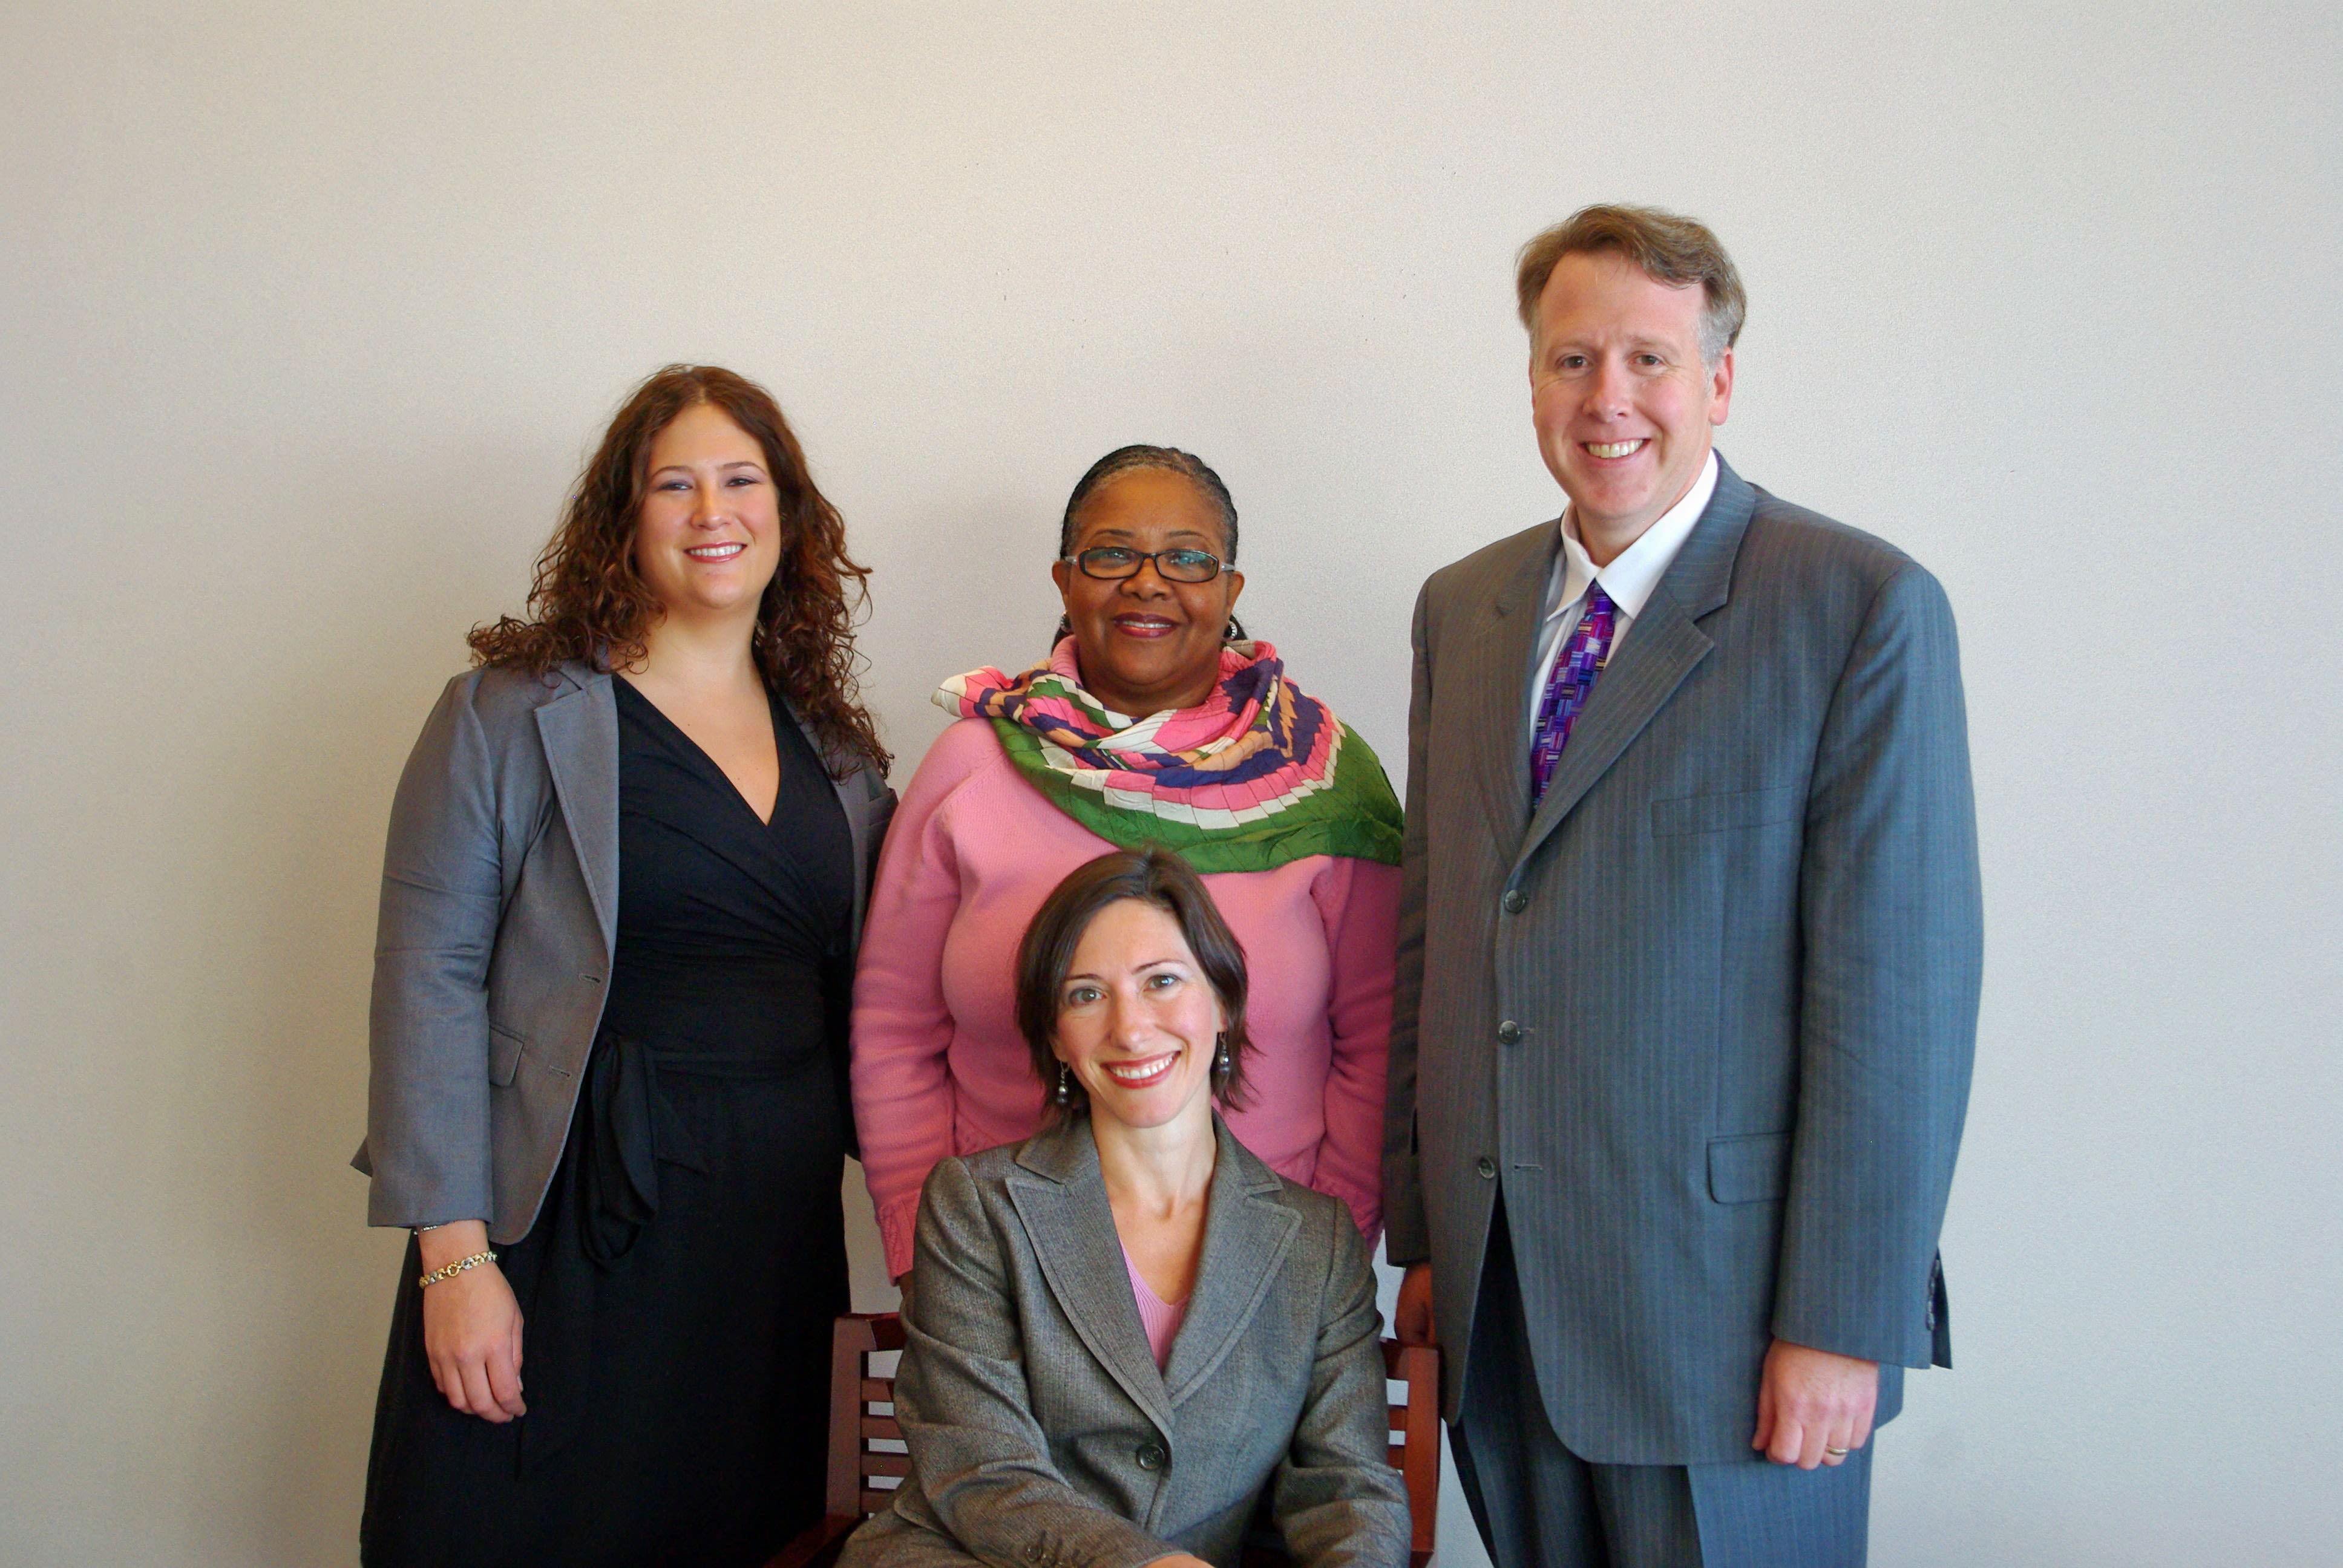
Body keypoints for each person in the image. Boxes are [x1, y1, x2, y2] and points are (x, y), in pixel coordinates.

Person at [1381, 204, 1982, 1567]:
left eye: (1647, 359)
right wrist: (1423, 1233)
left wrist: (1844, 1319)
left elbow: (1899, 1001)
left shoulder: (1856, 606)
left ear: (1718, 381)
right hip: (1498, 1298)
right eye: (1571, 359)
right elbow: (1437, 932)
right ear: (1532, 378)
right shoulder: (1460, 610)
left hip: (1735, 1325)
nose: (1607, 398)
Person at [353, 364, 895, 1567]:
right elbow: (426, 977)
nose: (713, 512)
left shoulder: (841, 757)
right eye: (674, 484)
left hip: (769, 1239)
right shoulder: (505, 714)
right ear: (624, 517)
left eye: (741, 480)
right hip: (564, 1221)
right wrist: (455, 1258)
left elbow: (892, 995)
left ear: (787, 513)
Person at [852, 445, 1403, 1285]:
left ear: (1230, 590)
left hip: (1266, 1261)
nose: (1148, 583)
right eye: (1112, 555)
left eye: (1187, 558)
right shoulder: (971, 766)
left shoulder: (1318, 778)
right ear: (1065, 582)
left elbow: (1380, 1040)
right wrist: (924, 1245)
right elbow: (894, 1025)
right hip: (1002, 1261)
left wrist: (1328, 1250)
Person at [841, 848, 1411, 1568]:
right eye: (1085, 995)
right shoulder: (975, 1206)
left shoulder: (1317, 1243)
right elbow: (982, 1471)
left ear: (1223, 1004)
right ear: (1055, 1037)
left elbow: (1347, 1488)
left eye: (1161, 981)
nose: (1130, 1028)